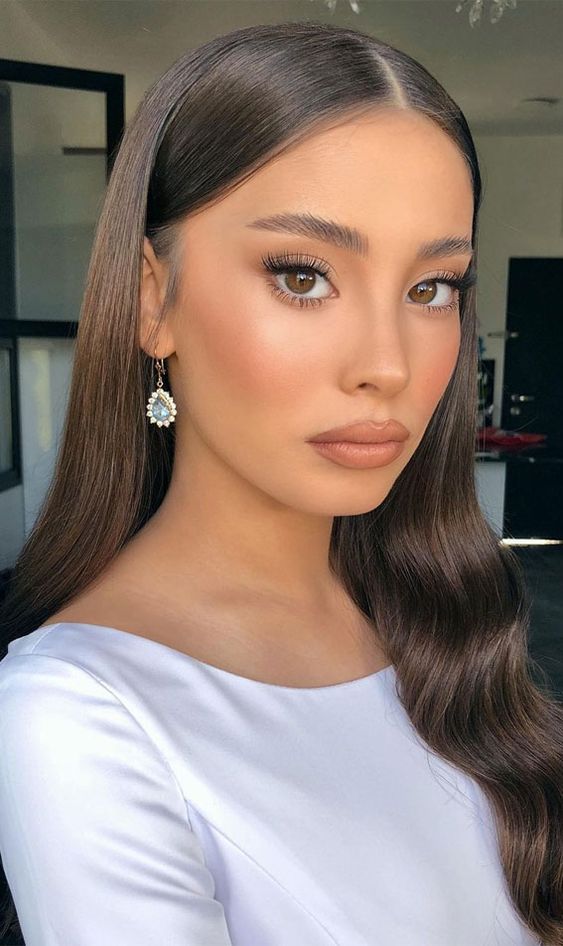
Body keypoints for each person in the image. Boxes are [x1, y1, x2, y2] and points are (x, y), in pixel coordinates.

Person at [0, 19, 560, 946]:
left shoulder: (434, 609)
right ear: (152, 297)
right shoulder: (77, 719)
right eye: (302, 276)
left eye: (432, 289)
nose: (386, 363)